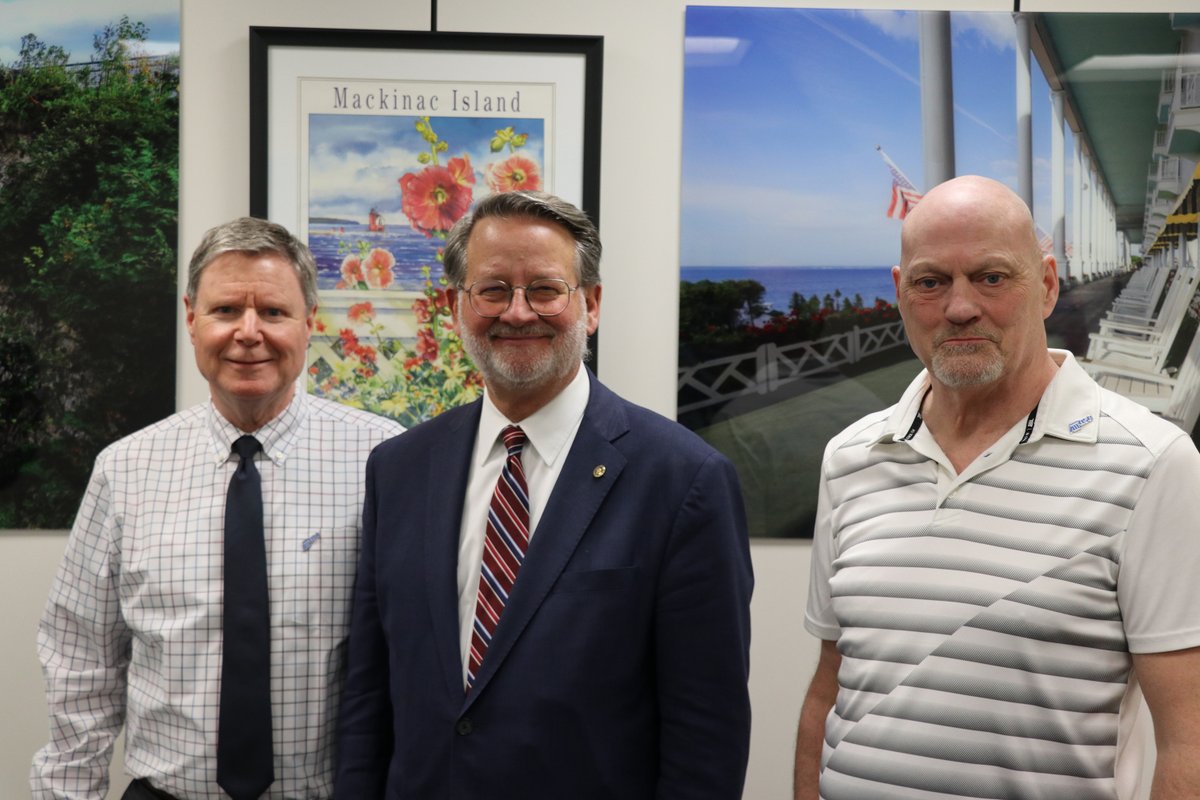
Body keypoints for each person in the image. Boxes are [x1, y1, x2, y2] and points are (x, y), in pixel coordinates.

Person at [333, 190, 753, 799]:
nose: (519, 312)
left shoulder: (684, 480)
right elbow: (369, 695)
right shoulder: (398, 470)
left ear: (593, 303)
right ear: (459, 307)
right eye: (494, 289)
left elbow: (706, 735)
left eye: (546, 289)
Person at [793, 175, 1200, 800]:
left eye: (991, 277)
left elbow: (1188, 740)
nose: (960, 307)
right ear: (901, 293)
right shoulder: (851, 458)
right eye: (932, 282)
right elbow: (830, 688)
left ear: (1047, 285)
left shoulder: (1152, 465)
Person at [32, 217, 404, 800]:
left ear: (310, 323)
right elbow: (83, 663)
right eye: (226, 310)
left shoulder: (385, 459)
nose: (248, 333)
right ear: (191, 319)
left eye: (274, 313)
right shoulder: (124, 469)